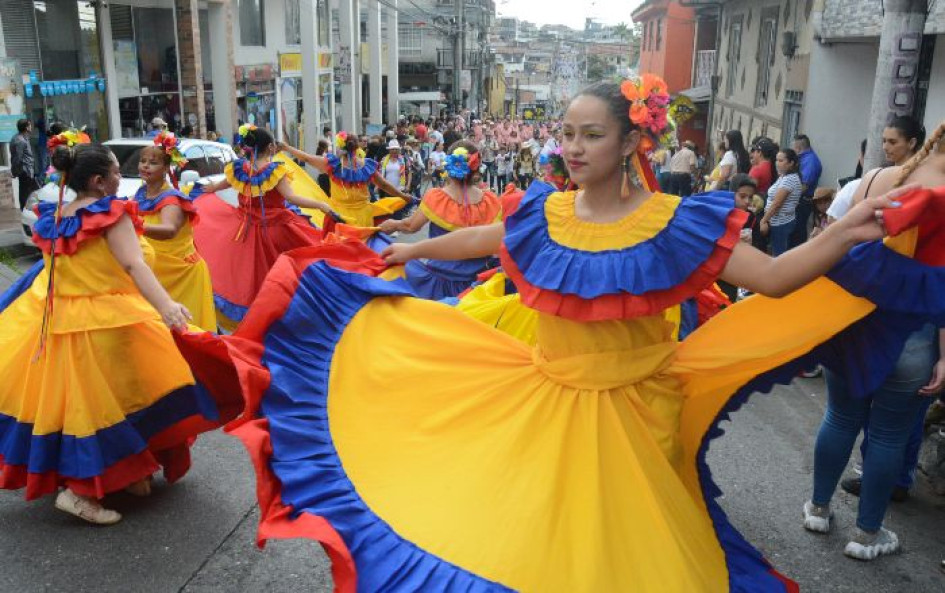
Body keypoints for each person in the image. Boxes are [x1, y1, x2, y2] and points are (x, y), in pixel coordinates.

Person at [177, 75, 934, 592]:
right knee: (516, 536)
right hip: (540, 397)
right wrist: (411, 249)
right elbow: (483, 242)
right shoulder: (546, 209)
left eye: (590, 135)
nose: (572, 147)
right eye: (566, 134)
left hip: (629, 416)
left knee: (618, 557)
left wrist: (844, 235)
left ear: (632, 141)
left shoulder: (673, 222)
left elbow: (768, 279)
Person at [0, 143, 228, 524]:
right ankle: (80, 492)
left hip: (61, 322)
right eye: (116, 173)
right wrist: (168, 308)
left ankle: (124, 473)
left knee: (85, 406)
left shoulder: (55, 217)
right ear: (98, 181)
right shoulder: (109, 214)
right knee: (114, 404)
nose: (122, 178)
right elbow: (135, 266)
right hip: (108, 321)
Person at [803, 121, 945, 560]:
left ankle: (819, 509)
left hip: (853, 319)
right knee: (888, 435)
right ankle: (867, 536)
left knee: (840, 417)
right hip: (914, 333)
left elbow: (833, 237)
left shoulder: (879, 178)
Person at [191, 125, 335, 327]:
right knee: (305, 264)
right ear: (270, 147)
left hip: (247, 231)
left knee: (253, 276)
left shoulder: (240, 168)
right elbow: (291, 197)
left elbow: (225, 183)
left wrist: (210, 188)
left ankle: (263, 315)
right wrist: (321, 204)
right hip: (276, 230)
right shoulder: (274, 171)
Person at [378, 141, 501, 299]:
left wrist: (393, 224)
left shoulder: (437, 197)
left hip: (439, 284)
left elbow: (410, 226)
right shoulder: (491, 201)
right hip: (479, 288)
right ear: (476, 167)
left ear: (448, 165)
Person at [135, 133, 217, 331]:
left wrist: (133, 226)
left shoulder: (171, 198)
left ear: (165, 168)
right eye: (143, 161)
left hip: (181, 274)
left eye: (152, 163)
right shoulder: (140, 193)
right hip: (156, 270)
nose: (145, 166)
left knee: (185, 330)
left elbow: (169, 230)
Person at [278, 132, 412, 226]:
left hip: (339, 217)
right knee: (362, 251)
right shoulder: (366, 166)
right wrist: (403, 196)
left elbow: (306, 158)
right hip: (364, 216)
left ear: (340, 147)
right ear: (356, 147)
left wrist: (286, 147)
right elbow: (384, 185)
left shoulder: (332, 164)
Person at [760, 148, 803, 256]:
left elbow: (776, 204)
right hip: (777, 221)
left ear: (791, 163)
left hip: (781, 223)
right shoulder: (784, 176)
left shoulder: (790, 179)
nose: (777, 163)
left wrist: (763, 220)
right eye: (776, 160)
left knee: (778, 255)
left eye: (781, 161)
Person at [790, 134, 823, 247]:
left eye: (794, 148)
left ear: (798, 148)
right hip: (800, 200)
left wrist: (790, 198)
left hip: (803, 201)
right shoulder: (805, 158)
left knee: (798, 231)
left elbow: (804, 186)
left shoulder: (811, 162)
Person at [11, 118, 38, 209]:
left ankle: (29, 210)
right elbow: (17, 158)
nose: (31, 127)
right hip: (25, 171)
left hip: (28, 170)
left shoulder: (21, 138)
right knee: (25, 193)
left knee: (33, 192)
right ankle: (24, 211)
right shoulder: (20, 140)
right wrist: (14, 171)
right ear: (26, 128)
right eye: (29, 125)